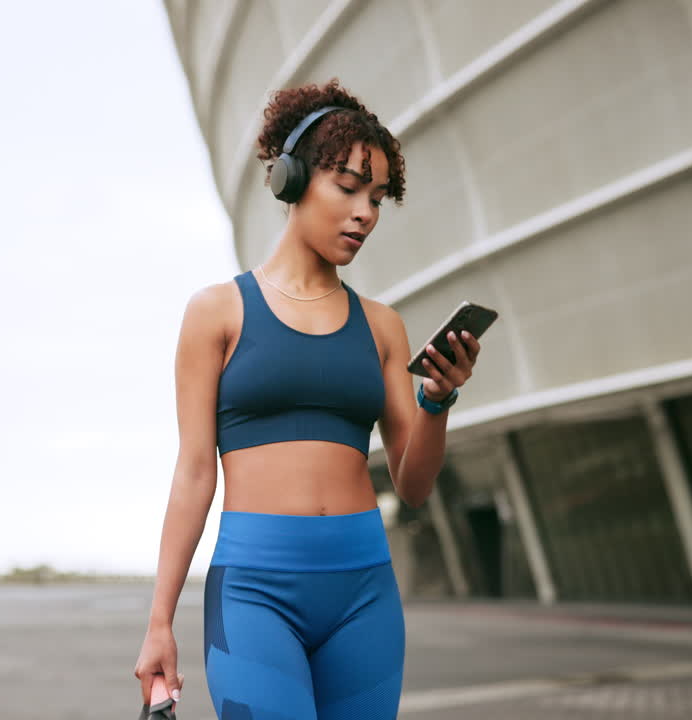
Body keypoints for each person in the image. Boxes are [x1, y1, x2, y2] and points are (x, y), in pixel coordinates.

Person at [132, 78, 483, 719]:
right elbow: (192, 471)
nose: (365, 213)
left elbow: (413, 484)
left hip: (364, 593)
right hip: (254, 591)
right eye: (347, 188)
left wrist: (437, 400)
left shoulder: (381, 325)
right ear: (290, 182)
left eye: (377, 198)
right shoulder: (217, 312)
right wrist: (160, 620)